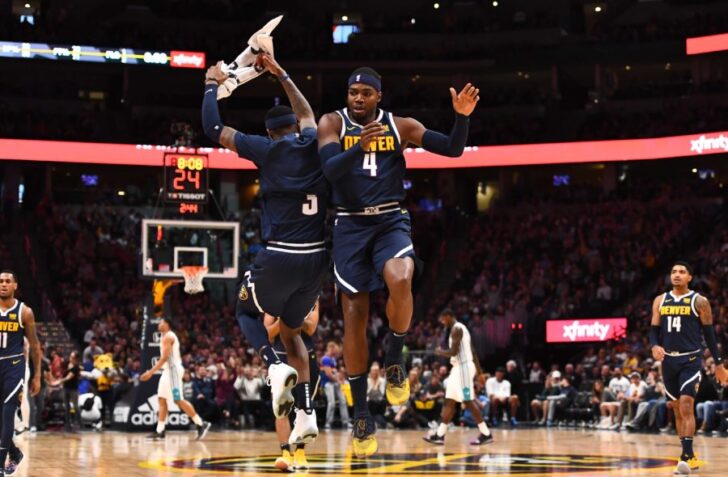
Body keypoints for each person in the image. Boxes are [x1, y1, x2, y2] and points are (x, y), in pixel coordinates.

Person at [317, 67, 479, 457]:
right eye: (352, 92)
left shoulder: (400, 125)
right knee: (354, 315)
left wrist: (462, 117)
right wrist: (359, 145)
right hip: (349, 224)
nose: (357, 98)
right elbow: (329, 169)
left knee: (402, 276)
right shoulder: (331, 122)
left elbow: (453, 149)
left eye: (365, 93)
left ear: (378, 97)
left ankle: (394, 358)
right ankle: (360, 413)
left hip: (390, 219)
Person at [203, 53, 327, 445]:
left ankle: (272, 367)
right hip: (318, 259)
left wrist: (211, 85)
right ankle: (306, 414)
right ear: (295, 127)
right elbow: (307, 111)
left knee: (244, 310)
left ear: (271, 133)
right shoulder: (313, 140)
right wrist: (282, 74)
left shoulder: (267, 149)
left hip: (282, 253)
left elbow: (213, 128)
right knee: (293, 335)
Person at [649, 261, 722, 475]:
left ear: (690, 277)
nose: (677, 275)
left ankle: (688, 456)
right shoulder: (660, 300)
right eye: (673, 271)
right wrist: (654, 345)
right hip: (668, 362)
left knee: (687, 405)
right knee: (678, 409)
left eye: (682, 272)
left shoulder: (700, 301)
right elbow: (654, 329)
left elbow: (709, 335)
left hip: (690, 360)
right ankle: (687, 453)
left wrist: (718, 364)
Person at [264, 302, 321, 472]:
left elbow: (311, 328)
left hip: (306, 360)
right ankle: (285, 453)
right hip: (281, 358)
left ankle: (300, 452)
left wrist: (294, 316)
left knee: (304, 407)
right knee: (282, 408)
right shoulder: (273, 298)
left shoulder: (313, 297)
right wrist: (287, 318)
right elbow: (268, 333)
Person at [423, 309, 492, 446]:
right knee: (450, 401)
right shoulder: (461, 330)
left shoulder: (457, 329)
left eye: (443, 319)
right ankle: (440, 435)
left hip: (464, 368)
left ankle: (486, 433)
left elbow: (453, 351)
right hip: (457, 369)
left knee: (468, 401)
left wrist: (440, 352)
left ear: (448, 316)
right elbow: (472, 350)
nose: (442, 322)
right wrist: (479, 372)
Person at [140, 316, 210, 440]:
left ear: (167, 324)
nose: (159, 324)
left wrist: (150, 372)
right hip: (167, 371)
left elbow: (164, 358)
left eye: (161, 322)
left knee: (178, 399)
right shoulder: (165, 336)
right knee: (162, 399)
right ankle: (160, 430)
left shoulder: (168, 337)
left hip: (173, 371)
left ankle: (200, 423)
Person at [0, 270, 42, 476]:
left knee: (8, 414)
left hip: (14, 365)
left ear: (15, 285)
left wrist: (37, 376)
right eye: (0, 281)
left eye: (8, 281)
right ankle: (15, 453)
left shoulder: (25, 312)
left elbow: (34, 346)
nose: (3, 284)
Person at [321, 342, 350, 430]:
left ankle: (346, 422)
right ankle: (328, 423)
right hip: (327, 383)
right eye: (336, 350)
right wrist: (338, 380)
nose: (338, 352)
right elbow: (328, 374)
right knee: (332, 403)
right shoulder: (325, 359)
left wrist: (340, 379)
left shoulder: (333, 359)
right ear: (331, 348)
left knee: (343, 401)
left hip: (335, 383)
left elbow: (334, 372)